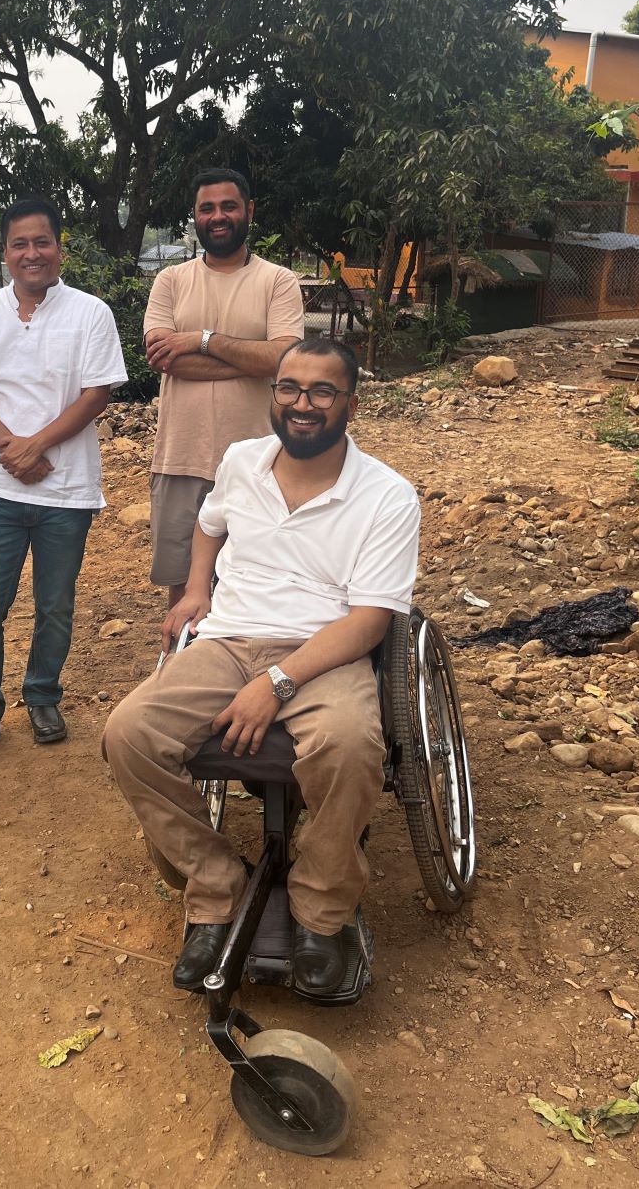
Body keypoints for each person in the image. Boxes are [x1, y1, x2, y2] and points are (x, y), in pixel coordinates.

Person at [102, 337, 420, 995]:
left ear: (350, 404)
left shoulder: (386, 496)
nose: (303, 404)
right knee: (128, 734)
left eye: (322, 391)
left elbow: (369, 621)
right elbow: (210, 523)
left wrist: (276, 683)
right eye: (289, 388)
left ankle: (321, 908)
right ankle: (215, 884)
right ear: (273, 394)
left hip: (326, 648)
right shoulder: (242, 460)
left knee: (349, 746)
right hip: (228, 638)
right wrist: (196, 589)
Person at [0, 197, 127, 767]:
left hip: (66, 492)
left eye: (41, 242)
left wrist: (37, 445)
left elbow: (97, 393)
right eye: (20, 244)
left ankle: (43, 696)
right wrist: (13, 449)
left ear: (58, 248)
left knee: (55, 605)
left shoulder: (90, 313)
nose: (32, 253)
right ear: (5, 252)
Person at [144, 169, 304, 607]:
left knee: (255, 587)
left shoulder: (279, 281)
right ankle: (183, 651)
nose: (218, 216)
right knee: (183, 589)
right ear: (195, 216)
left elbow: (285, 359)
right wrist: (250, 358)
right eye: (207, 208)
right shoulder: (170, 281)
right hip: (181, 456)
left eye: (229, 206)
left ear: (248, 210)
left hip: (262, 461)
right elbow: (163, 358)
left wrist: (201, 340)